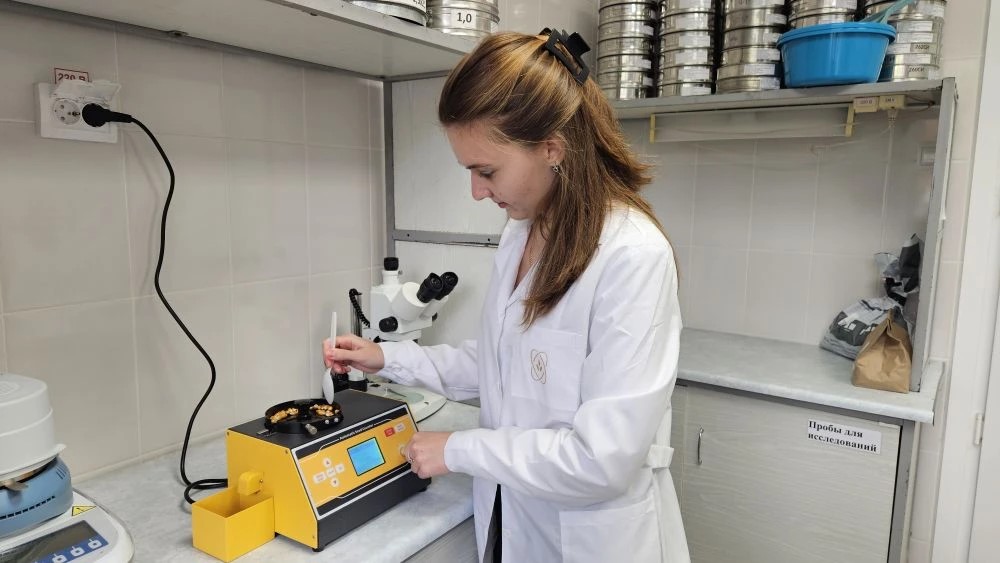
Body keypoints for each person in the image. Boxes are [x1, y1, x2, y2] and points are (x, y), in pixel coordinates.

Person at [324, 28, 689, 563]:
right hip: (512, 516)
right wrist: (388, 358)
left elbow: (602, 461)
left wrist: (459, 449)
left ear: (553, 149)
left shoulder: (632, 255)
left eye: (486, 170)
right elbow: (504, 363)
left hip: (589, 539)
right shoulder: (524, 231)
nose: (477, 191)